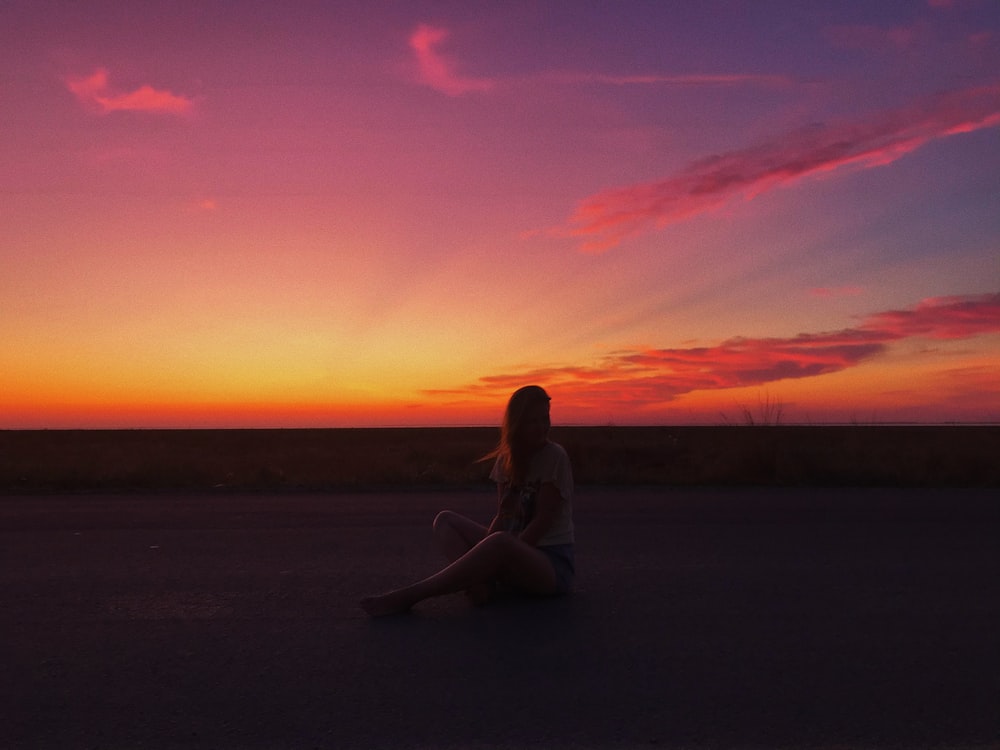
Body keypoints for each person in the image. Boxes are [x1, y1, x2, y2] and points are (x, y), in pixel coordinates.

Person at [360, 385, 575, 616]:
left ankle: (410, 595)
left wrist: (496, 560)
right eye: (533, 421)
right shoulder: (506, 461)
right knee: (445, 521)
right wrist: (489, 555)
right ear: (518, 424)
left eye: (545, 418)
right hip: (513, 554)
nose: (542, 427)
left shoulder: (555, 457)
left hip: (550, 565)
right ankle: (478, 587)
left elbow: (542, 521)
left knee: (500, 541)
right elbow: (503, 516)